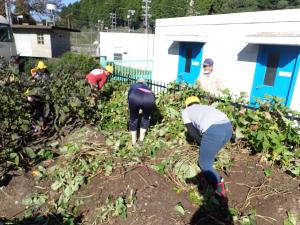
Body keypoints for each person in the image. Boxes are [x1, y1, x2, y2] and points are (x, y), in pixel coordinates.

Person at [182, 96, 232, 198]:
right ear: (198, 102)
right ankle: (209, 170)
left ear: (186, 105)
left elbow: (192, 133)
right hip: (228, 128)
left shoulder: (186, 111)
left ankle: (220, 188)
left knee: (204, 163)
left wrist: (202, 143)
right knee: (210, 154)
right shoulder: (206, 107)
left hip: (214, 131)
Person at [128, 78, 156, 145]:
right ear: (144, 83)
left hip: (135, 97)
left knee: (133, 118)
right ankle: (141, 139)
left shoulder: (133, 86)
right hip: (149, 99)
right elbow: (152, 96)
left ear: (137, 82)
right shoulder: (147, 87)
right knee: (146, 118)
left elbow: (129, 97)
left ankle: (134, 141)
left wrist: (134, 108)